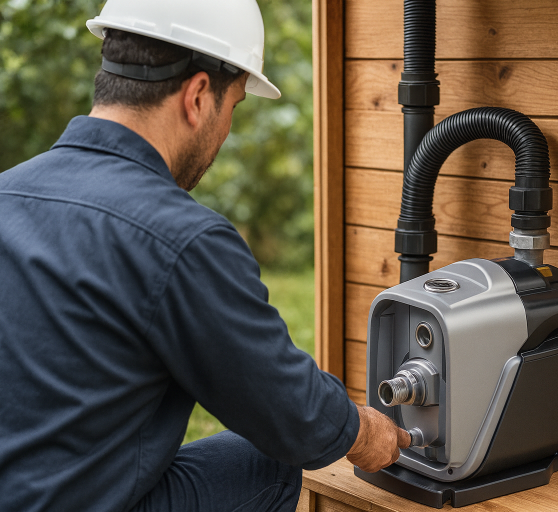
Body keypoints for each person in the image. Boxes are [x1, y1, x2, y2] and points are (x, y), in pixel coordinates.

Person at [0, 1, 410, 511]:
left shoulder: (7, 193)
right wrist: (366, 432)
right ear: (197, 96)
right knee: (267, 462)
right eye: (233, 105)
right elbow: (288, 411)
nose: (225, 130)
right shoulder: (179, 238)